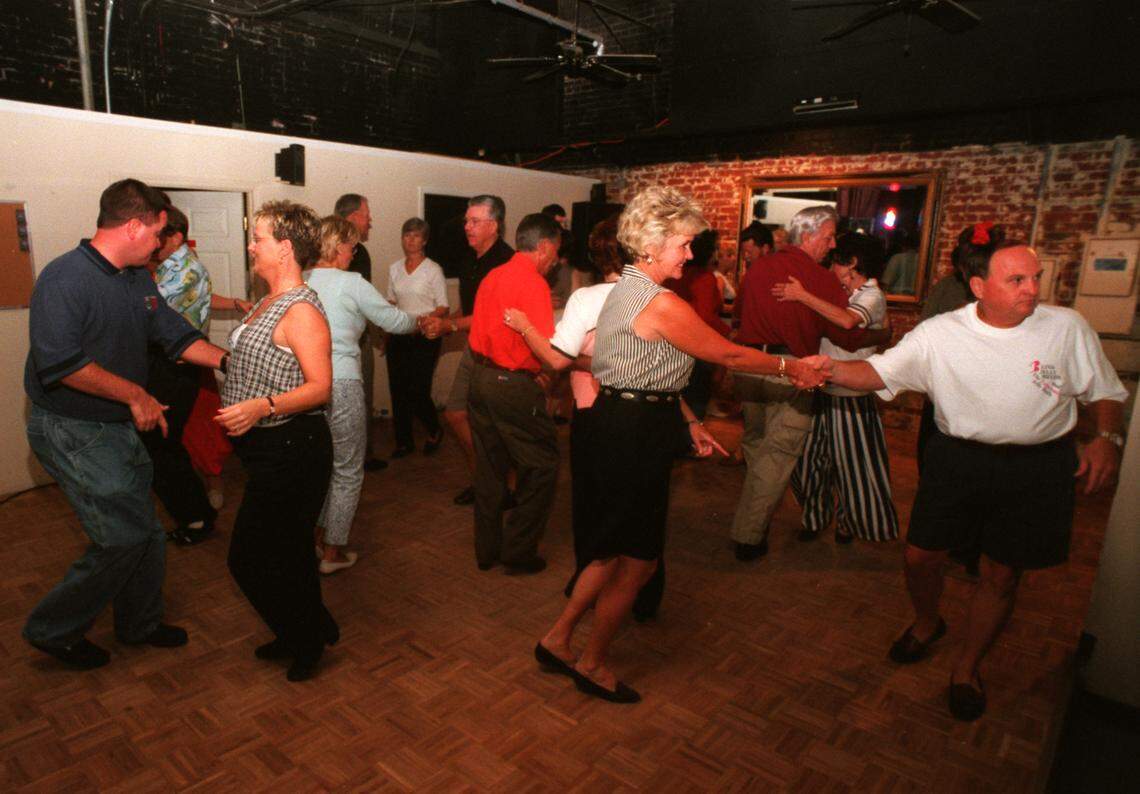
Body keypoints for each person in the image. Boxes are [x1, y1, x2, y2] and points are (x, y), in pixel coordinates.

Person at [533, 187, 826, 703]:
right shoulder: (659, 301)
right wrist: (792, 367)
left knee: (608, 552)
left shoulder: (625, 287)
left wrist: (686, 421)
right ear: (652, 243)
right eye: (684, 244)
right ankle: (592, 662)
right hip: (634, 433)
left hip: (618, 422)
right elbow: (729, 355)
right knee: (638, 561)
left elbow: (644, 373)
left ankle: (557, 639)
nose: (690, 255)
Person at [821, 240, 1126, 721]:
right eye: (1017, 280)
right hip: (958, 460)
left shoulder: (1066, 327)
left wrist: (1107, 437)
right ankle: (927, 622)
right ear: (979, 287)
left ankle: (966, 668)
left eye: (1035, 278)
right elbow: (877, 372)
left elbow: (1104, 390)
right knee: (920, 556)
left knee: (1001, 573)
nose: (1032, 290)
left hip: (1036, 466)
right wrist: (822, 369)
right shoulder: (941, 333)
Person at [23, 178, 228, 669]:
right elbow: (61, 365)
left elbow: (175, 335)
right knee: (123, 537)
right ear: (135, 226)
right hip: (73, 429)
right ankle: (53, 629)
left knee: (147, 531)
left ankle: (140, 624)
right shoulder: (64, 278)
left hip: (117, 426)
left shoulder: (137, 278)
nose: (160, 244)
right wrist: (136, 394)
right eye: (157, 233)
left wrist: (230, 361)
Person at [504, 216, 699, 620]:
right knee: (645, 512)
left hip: (597, 418)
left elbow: (558, 358)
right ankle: (643, 598)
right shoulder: (658, 298)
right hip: (649, 418)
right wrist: (691, 418)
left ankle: (590, 590)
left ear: (595, 256)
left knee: (594, 510)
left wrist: (526, 329)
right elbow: (661, 374)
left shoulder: (589, 298)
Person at [215, 200, 337, 682]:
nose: (251, 246)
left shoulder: (301, 309)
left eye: (258, 238)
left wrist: (260, 406)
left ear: (284, 248)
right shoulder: (266, 300)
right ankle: (305, 629)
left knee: (247, 558)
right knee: (288, 552)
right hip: (270, 450)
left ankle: (307, 639)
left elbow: (320, 387)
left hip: (294, 449)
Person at [730, 206, 890, 561]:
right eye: (828, 237)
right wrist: (883, 334)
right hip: (792, 372)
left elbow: (738, 316)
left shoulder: (757, 268)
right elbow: (846, 336)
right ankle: (748, 536)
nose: (832, 245)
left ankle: (754, 517)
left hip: (749, 368)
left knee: (757, 444)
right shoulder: (820, 279)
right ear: (807, 236)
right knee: (777, 455)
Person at [305, 216, 418, 575]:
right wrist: (423, 321)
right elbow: (394, 321)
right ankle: (332, 552)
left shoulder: (302, 280)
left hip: (304, 387)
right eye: (352, 248)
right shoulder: (351, 282)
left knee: (320, 467)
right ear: (338, 245)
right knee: (348, 470)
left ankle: (316, 538)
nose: (353, 254)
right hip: (342, 383)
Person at [773, 232, 899, 543]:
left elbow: (846, 322)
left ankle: (847, 523)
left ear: (852, 263)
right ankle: (815, 517)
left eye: (836, 261)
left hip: (851, 393)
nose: (831, 267)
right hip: (822, 386)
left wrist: (802, 295)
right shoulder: (838, 290)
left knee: (851, 465)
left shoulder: (872, 294)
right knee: (809, 459)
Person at [140, 205, 251, 546]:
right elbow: (200, 299)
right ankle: (197, 513)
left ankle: (197, 517)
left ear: (175, 237)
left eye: (159, 236)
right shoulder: (175, 266)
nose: (154, 243)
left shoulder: (182, 271)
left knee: (163, 446)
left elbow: (148, 317)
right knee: (165, 445)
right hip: (175, 366)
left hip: (175, 367)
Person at [465, 213, 564, 575]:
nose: (557, 259)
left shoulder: (493, 276)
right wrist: (541, 373)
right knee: (542, 464)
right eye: (556, 251)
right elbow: (545, 346)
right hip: (511, 385)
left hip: (481, 378)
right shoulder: (534, 283)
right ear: (544, 247)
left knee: (490, 469)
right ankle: (519, 551)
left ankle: (487, 551)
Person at [420, 195, 515, 505]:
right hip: (475, 348)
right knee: (455, 413)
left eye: (475, 221)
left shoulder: (506, 263)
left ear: (494, 225)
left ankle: (503, 488)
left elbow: (494, 316)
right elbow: (471, 309)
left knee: (496, 427)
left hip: (500, 355)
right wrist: (442, 321)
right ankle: (485, 482)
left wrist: (449, 326)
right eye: (466, 221)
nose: (467, 227)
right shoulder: (468, 259)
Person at [386, 217, 448, 458]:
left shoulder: (433, 270)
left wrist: (422, 321)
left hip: (425, 335)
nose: (410, 240)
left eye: (416, 235)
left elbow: (443, 306)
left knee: (418, 390)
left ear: (424, 240)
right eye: (407, 235)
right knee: (398, 389)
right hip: (399, 335)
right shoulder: (394, 268)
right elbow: (392, 301)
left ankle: (434, 429)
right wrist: (387, 324)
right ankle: (404, 442)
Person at [334, 193, 385, 472]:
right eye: (367, 215)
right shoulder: (358, 252)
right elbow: (361, 302)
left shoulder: (322, 248)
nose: (370, 221)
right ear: (353, 217)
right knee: (360, 397)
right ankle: (361, 457)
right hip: (355, 341)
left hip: (328, 340)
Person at [665, 228, 726, 419]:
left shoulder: (675, 275)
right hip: (696, 349)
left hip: (673, 346)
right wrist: (728, 332)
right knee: (695, 406)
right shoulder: (704, 278)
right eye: (716, 248)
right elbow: (705, 317)